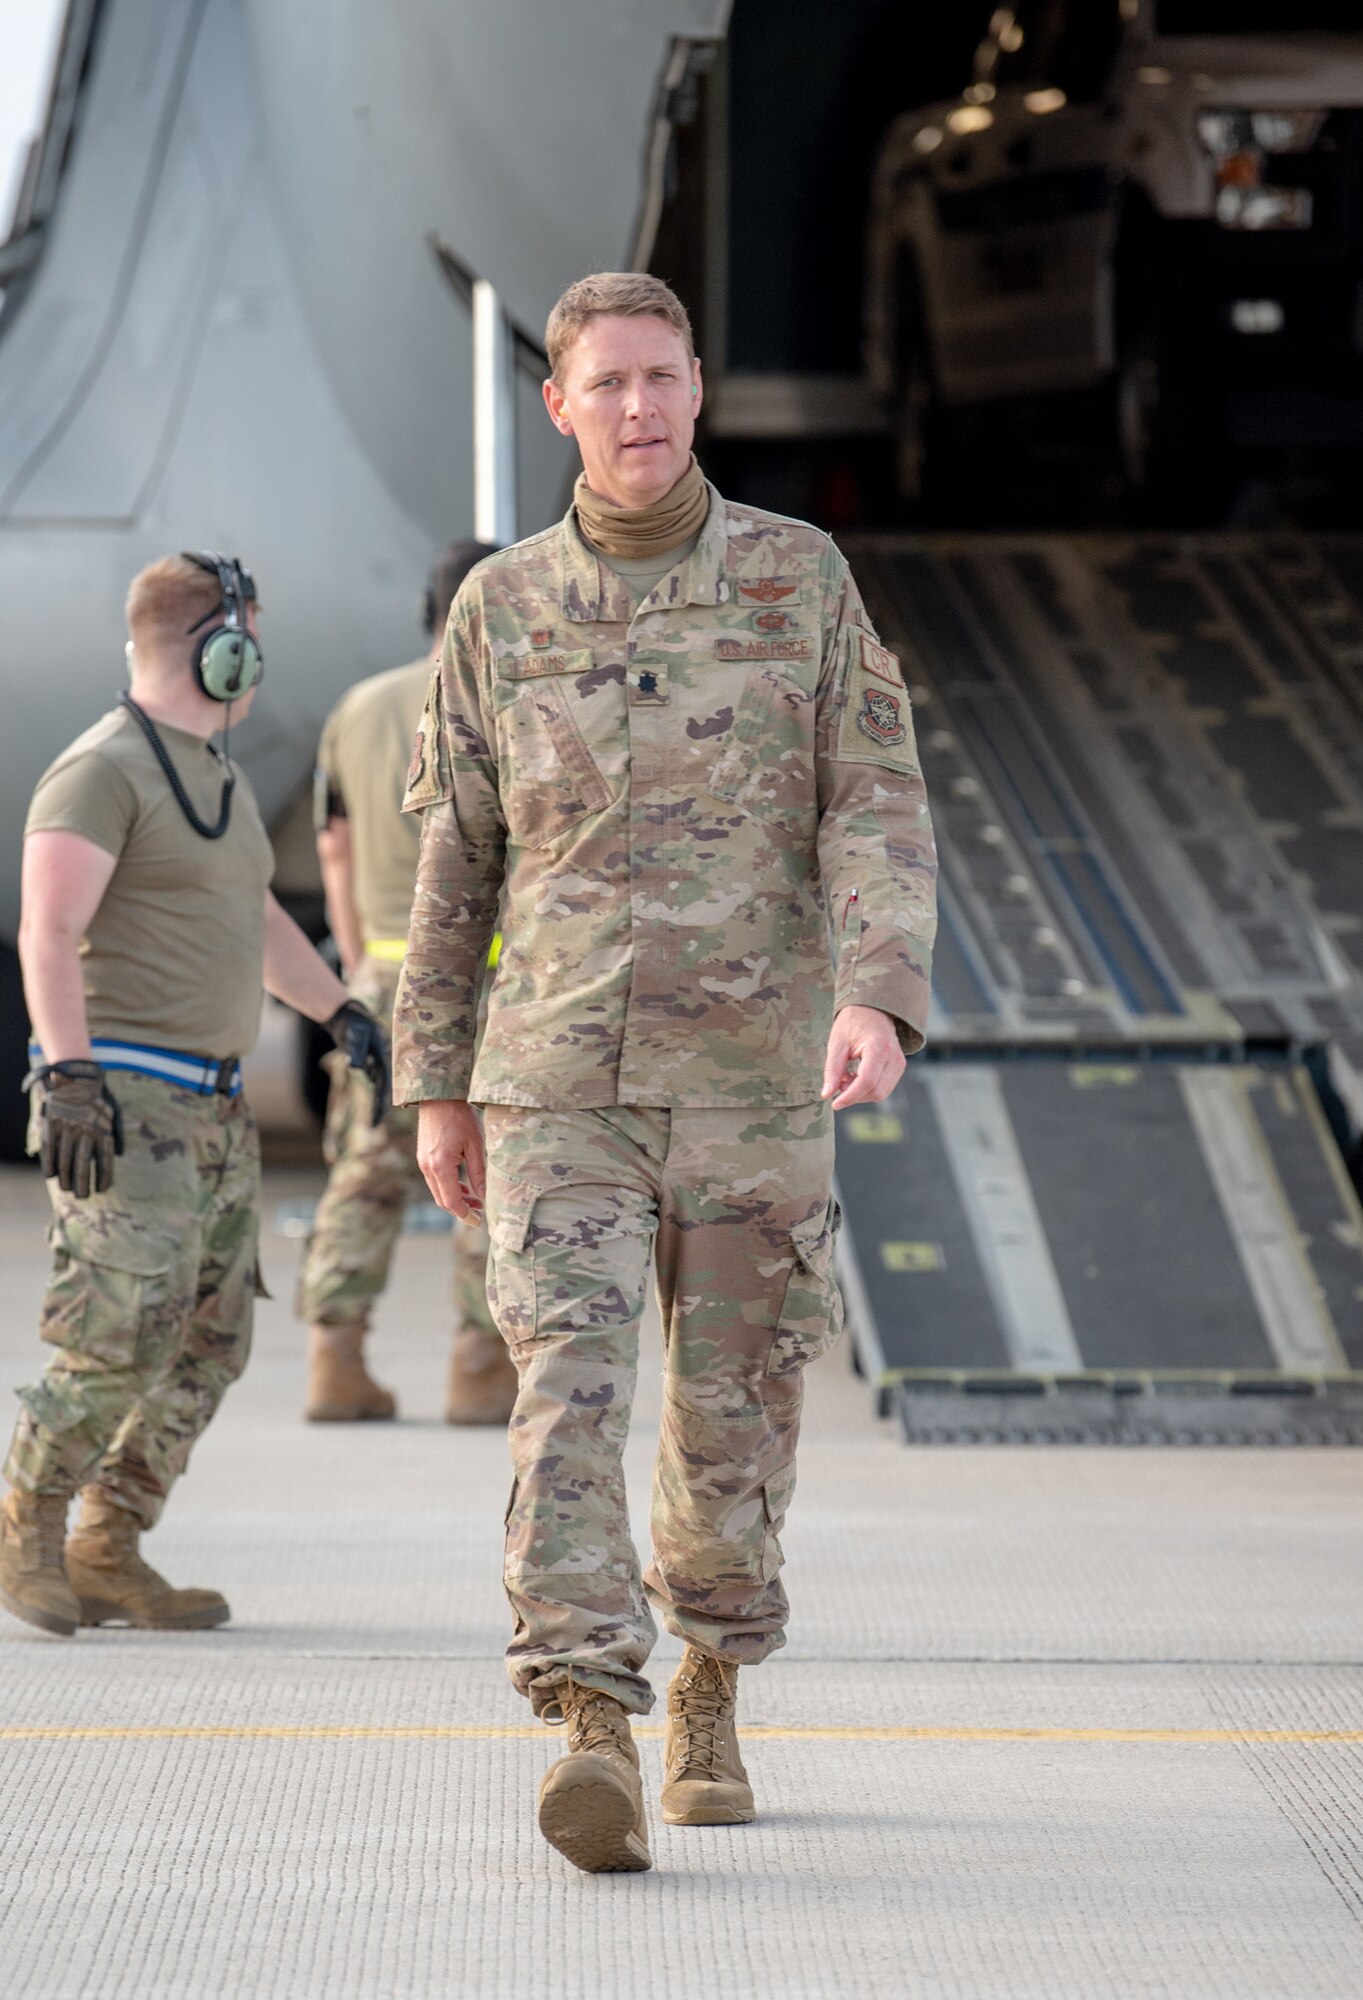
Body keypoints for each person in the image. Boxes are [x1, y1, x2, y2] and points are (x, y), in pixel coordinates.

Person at [393, 272, 937, 1873]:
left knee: (732, 1417)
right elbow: (455, 865)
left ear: (699, 390)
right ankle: (586, 1721)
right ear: (555, 408)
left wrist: (879, 993)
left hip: (756, 1079)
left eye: (662, 378)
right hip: (554, 1077)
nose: (637, 408)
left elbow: (871, 802)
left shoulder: (798, 580)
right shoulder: (499, 610)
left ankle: (706, 1679)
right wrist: (433, 1083)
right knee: (562, 1397)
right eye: (605, 384)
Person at [0, 553, 386, 1638]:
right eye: (251, 637)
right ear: (221, 646)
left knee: (213, 1338)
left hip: (212, 1113)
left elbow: (255, 916)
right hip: (127, 1101)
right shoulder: (101, 769)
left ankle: (108, 1542)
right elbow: (48, 930)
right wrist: (69, 1073)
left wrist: (337, 1010)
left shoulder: (210, 770)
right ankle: (25, 1516)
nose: (258, 659)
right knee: (118, 1332)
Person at [297, 541, 516, 1426]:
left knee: (365, 1171)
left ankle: (335, 1360)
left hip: (383, 964)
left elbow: (333, 846)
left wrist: (358, 963)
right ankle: (477, 1366)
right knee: (487, 1170)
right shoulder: (503, 701)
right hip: (492, 973)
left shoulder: (357, 708)